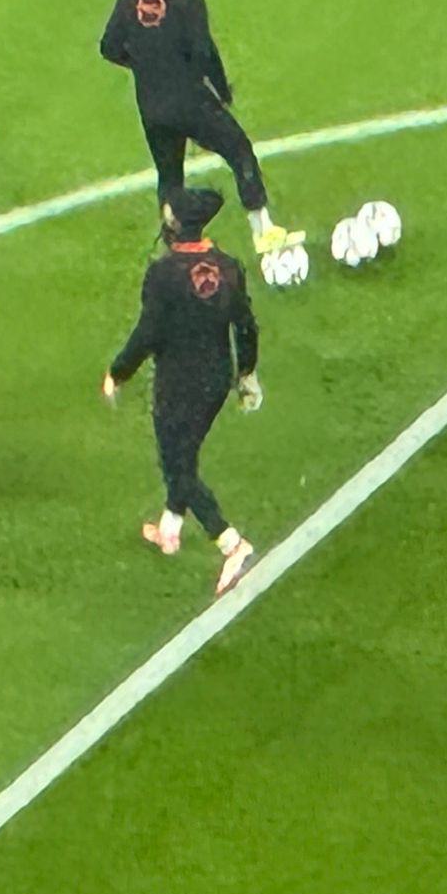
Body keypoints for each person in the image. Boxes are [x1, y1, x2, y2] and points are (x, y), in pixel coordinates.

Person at [100, 0, 302, 256]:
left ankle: (174, 252)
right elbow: (204, 53)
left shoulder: (128, 2)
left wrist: (144, 65)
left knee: (170, 178)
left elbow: (108, 48)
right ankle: (263, 231)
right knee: (238, 149)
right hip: (190, 101)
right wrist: (221, 92)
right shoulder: (188, 2)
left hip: (151, 107)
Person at [101, 186, 262, 596]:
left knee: (177, 466)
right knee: (184, 453)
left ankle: (232, 544)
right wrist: (246, 373)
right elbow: (246, 326)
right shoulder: (228, 267)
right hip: (215, 381)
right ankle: (170, 528)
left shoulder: (164, 274)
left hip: (178, 382)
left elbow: (149, 333)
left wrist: (119, 371)